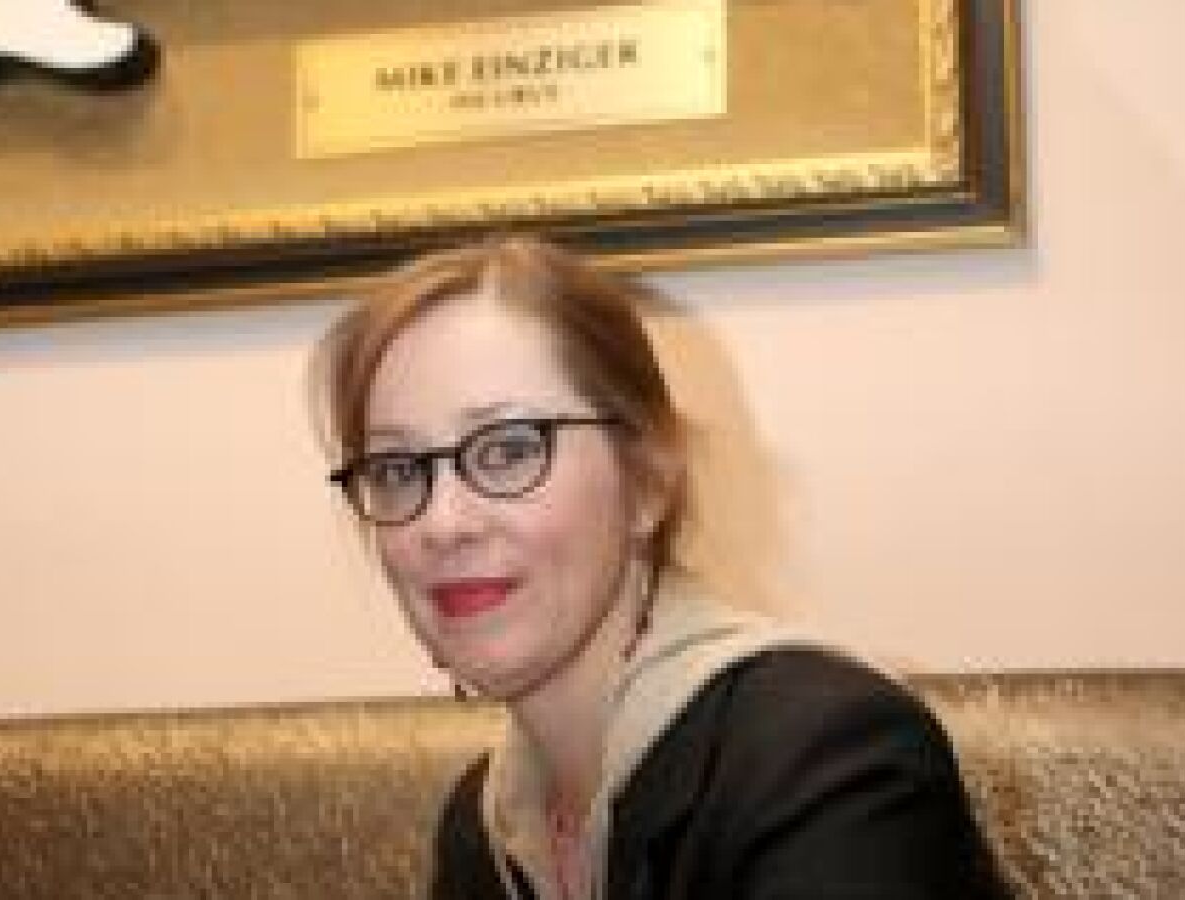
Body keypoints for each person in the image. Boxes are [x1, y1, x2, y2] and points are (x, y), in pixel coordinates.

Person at [311, 236, 1011, 899]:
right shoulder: (484, 831)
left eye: (509, 450)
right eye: (397, 469)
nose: (442, 524)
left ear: (647, 479)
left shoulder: (827, 760)